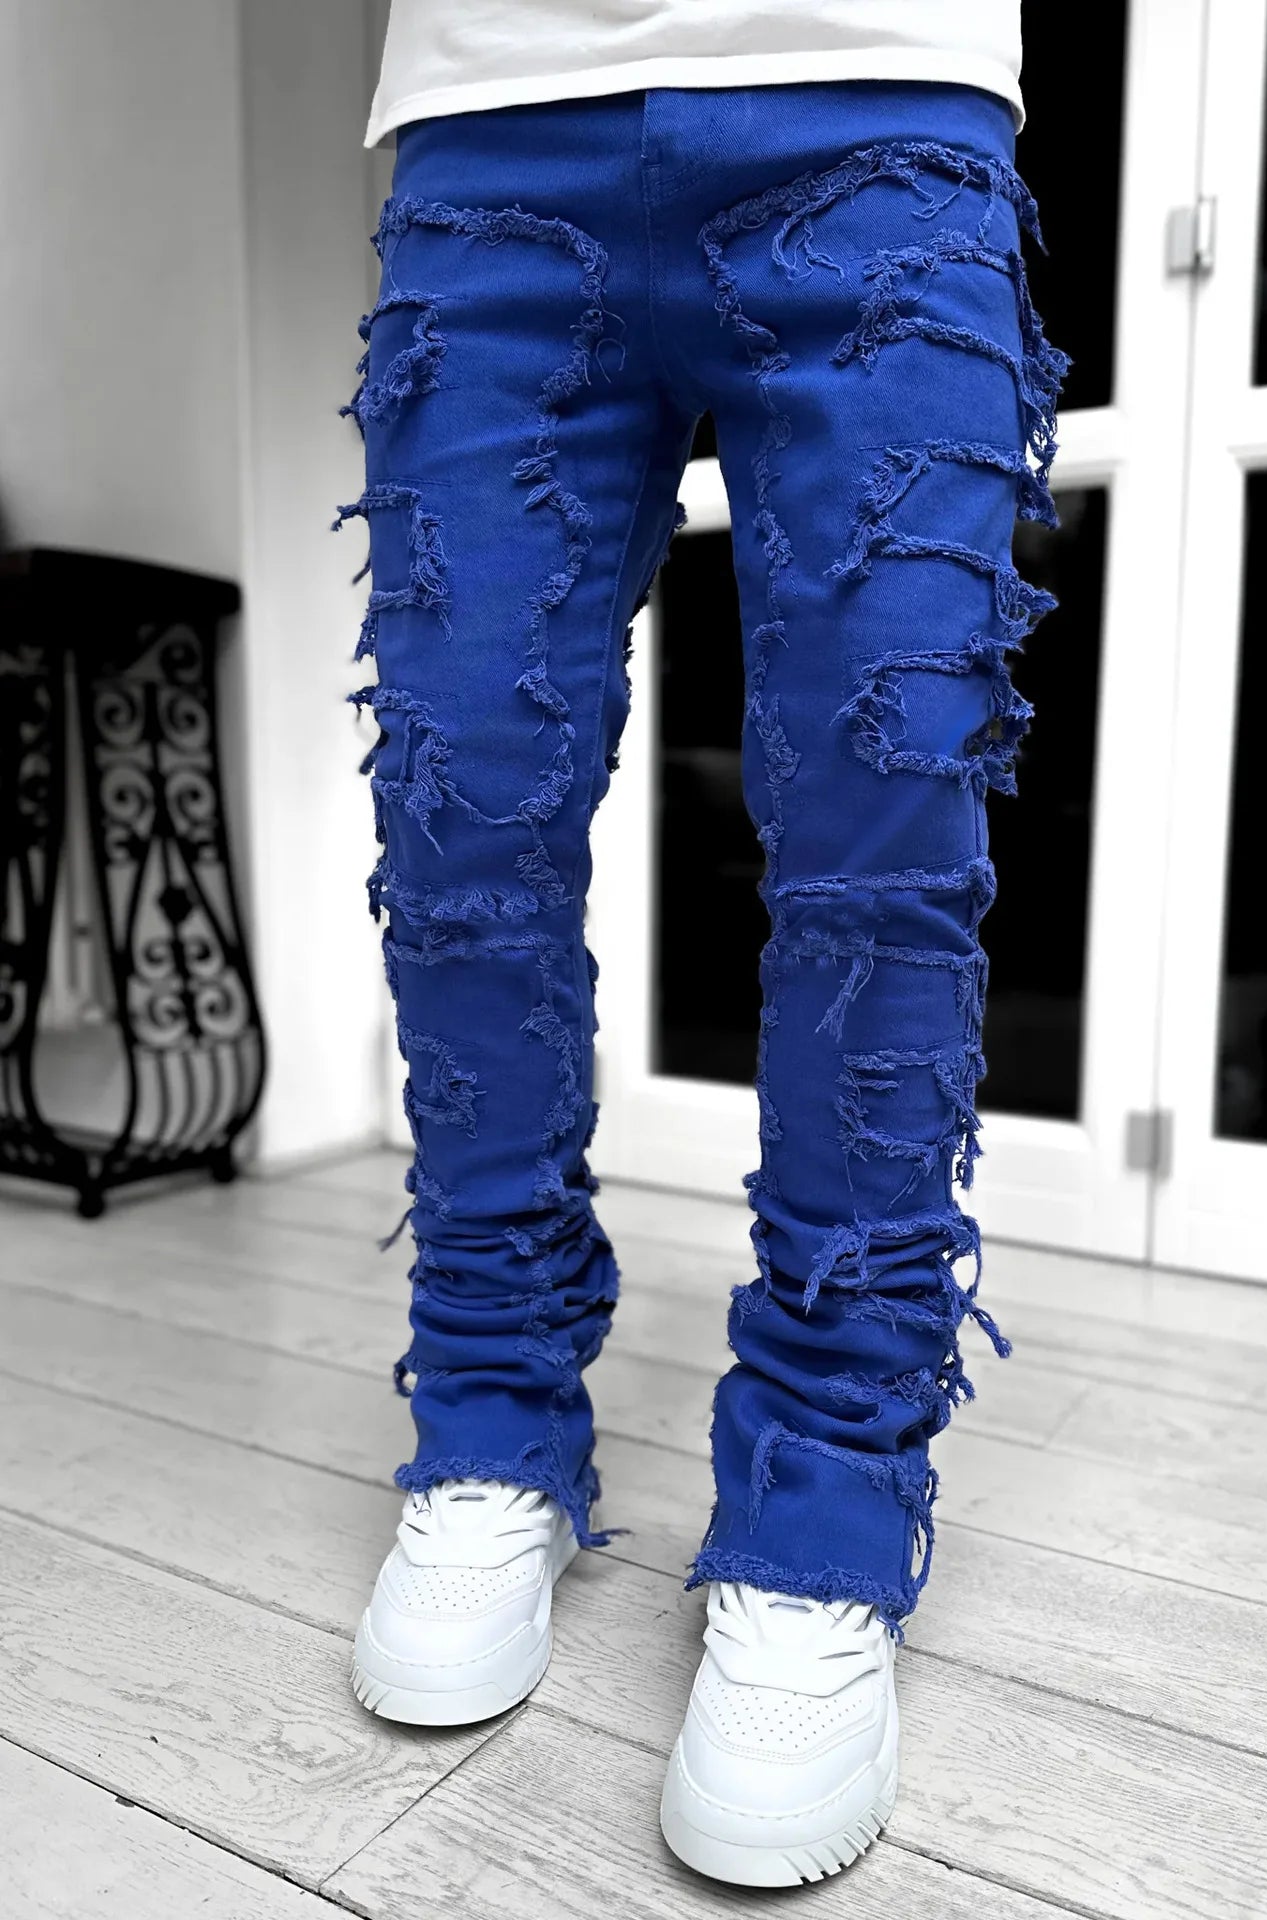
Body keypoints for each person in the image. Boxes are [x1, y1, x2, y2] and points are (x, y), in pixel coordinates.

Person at [344, 0, 1062, 1888]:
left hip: (878, 89)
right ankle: (490, 1416)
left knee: (887, 828)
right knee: (461, 810)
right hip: (495, 119)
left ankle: (828, 1498)